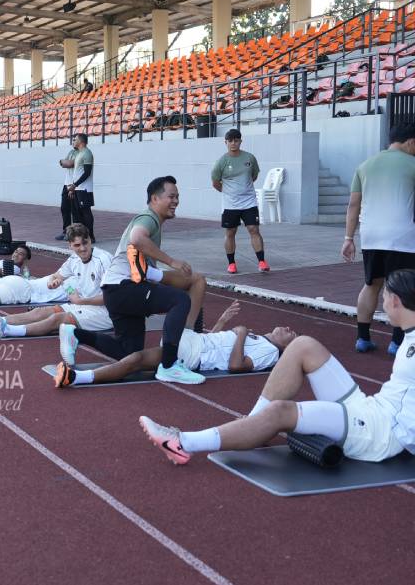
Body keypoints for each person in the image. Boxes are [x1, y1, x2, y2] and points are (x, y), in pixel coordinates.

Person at [139, 269, 415, 466]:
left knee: (281, 411)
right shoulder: (409, 333)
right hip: (370, 406)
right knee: (304, 345)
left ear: (394, 301)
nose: (381, 304)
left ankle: (183, 442)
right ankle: (252, 426)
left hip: (379, 433)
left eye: (384, 298)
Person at [85, 175, 208, 385]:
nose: (176, 201)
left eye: (178, 196)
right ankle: (169, 365)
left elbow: (144, 267)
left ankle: (76, 335)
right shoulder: (148, 218)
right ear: (154, 198)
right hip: (124, 287)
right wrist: (172, 262)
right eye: (171, 196)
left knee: (129, 351)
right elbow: (137, 238)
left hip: (115, 292)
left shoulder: (154, 223)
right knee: (179, 300)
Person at [54, 300, 294, 388]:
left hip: (194, 354)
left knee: (135, 358)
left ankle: (76, 377)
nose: (288, 328)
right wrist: (223, 320)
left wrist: (240, 334)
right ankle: (77, 335)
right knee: (131, 355)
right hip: (196, 342)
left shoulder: (270, 352)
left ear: (286, 347)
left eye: (291, 334)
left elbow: (236, 366)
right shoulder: (260, 338)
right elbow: (218, 341)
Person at [343, 122, 415, 356]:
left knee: (371, 284)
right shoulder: (413, 164)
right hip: (402, 236)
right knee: (402, 286)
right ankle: (397, 342)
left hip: (371, 235)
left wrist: (348, 238)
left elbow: (354, 204)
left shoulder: (365, 166)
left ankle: (362, 338)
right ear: (410, 141)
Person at [0, 225, 112, 339]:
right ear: (70, 246)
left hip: (105, 312)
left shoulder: (104, 260)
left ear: (90, 240)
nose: (82, 248)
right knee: (41, 311)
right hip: (84, 304)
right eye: (77, 245)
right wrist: (55, 282)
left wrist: (80, 301)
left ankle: (7, 330)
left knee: (56, 319)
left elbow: (112, 298)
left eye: (85, 243)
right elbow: (57, 276)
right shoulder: (74, 260)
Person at [212, 128, 269, 274]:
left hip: (249, 202)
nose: (233, 143)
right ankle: (231, 263)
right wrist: (229, 193)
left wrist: (244, 190)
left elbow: (254, 176)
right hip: (230, 204)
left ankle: (262, 261)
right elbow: (215, 182)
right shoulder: (221, 162)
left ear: (240, 141)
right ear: (225, 142)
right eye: (230, 141)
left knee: (254, 229)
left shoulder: (250, 158)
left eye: (236, 140)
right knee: (230, 232)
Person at [69, 133, 95, 241]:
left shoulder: (87, 153)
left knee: (86, 213)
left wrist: (75, 184)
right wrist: (73, 187)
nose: (73, 141)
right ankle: (82, 236)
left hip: (84, 189)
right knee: (78, 214)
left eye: (75, 139)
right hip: (78, 188)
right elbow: (78, 172)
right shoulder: (79, 153)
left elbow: (87, 173)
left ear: (81, 141)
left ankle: (91, 236)